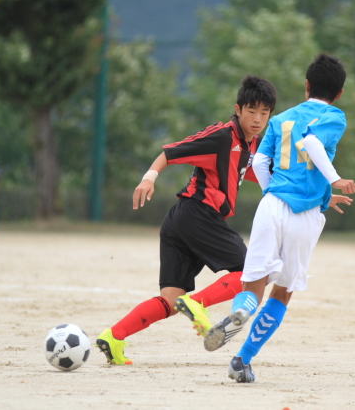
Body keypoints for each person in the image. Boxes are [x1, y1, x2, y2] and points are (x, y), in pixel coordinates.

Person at [95, 76, 277, 365]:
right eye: (252, 111)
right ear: (238, 109)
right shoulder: (221, 136)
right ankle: (197, 303)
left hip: (180, 222)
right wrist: (148, 178)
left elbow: (264, 176)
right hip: (197, 214)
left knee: (169, 301)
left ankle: (113, 336)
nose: (257, 119)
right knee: (252, 272)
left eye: (264, 113)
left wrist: (316, 196)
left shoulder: (251, 146)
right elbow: (171, 152)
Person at [203, 53, 355, 383]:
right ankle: (241, 360)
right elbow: (313, 142)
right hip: (305, 215)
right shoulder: (335, 116)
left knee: (252, 283)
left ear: (306, 85)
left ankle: (241, 310)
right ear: (339, 93)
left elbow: (259, 164)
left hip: (272, 204)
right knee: (283, 291)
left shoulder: (280, 119)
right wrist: (332, 183)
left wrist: (276, 193)